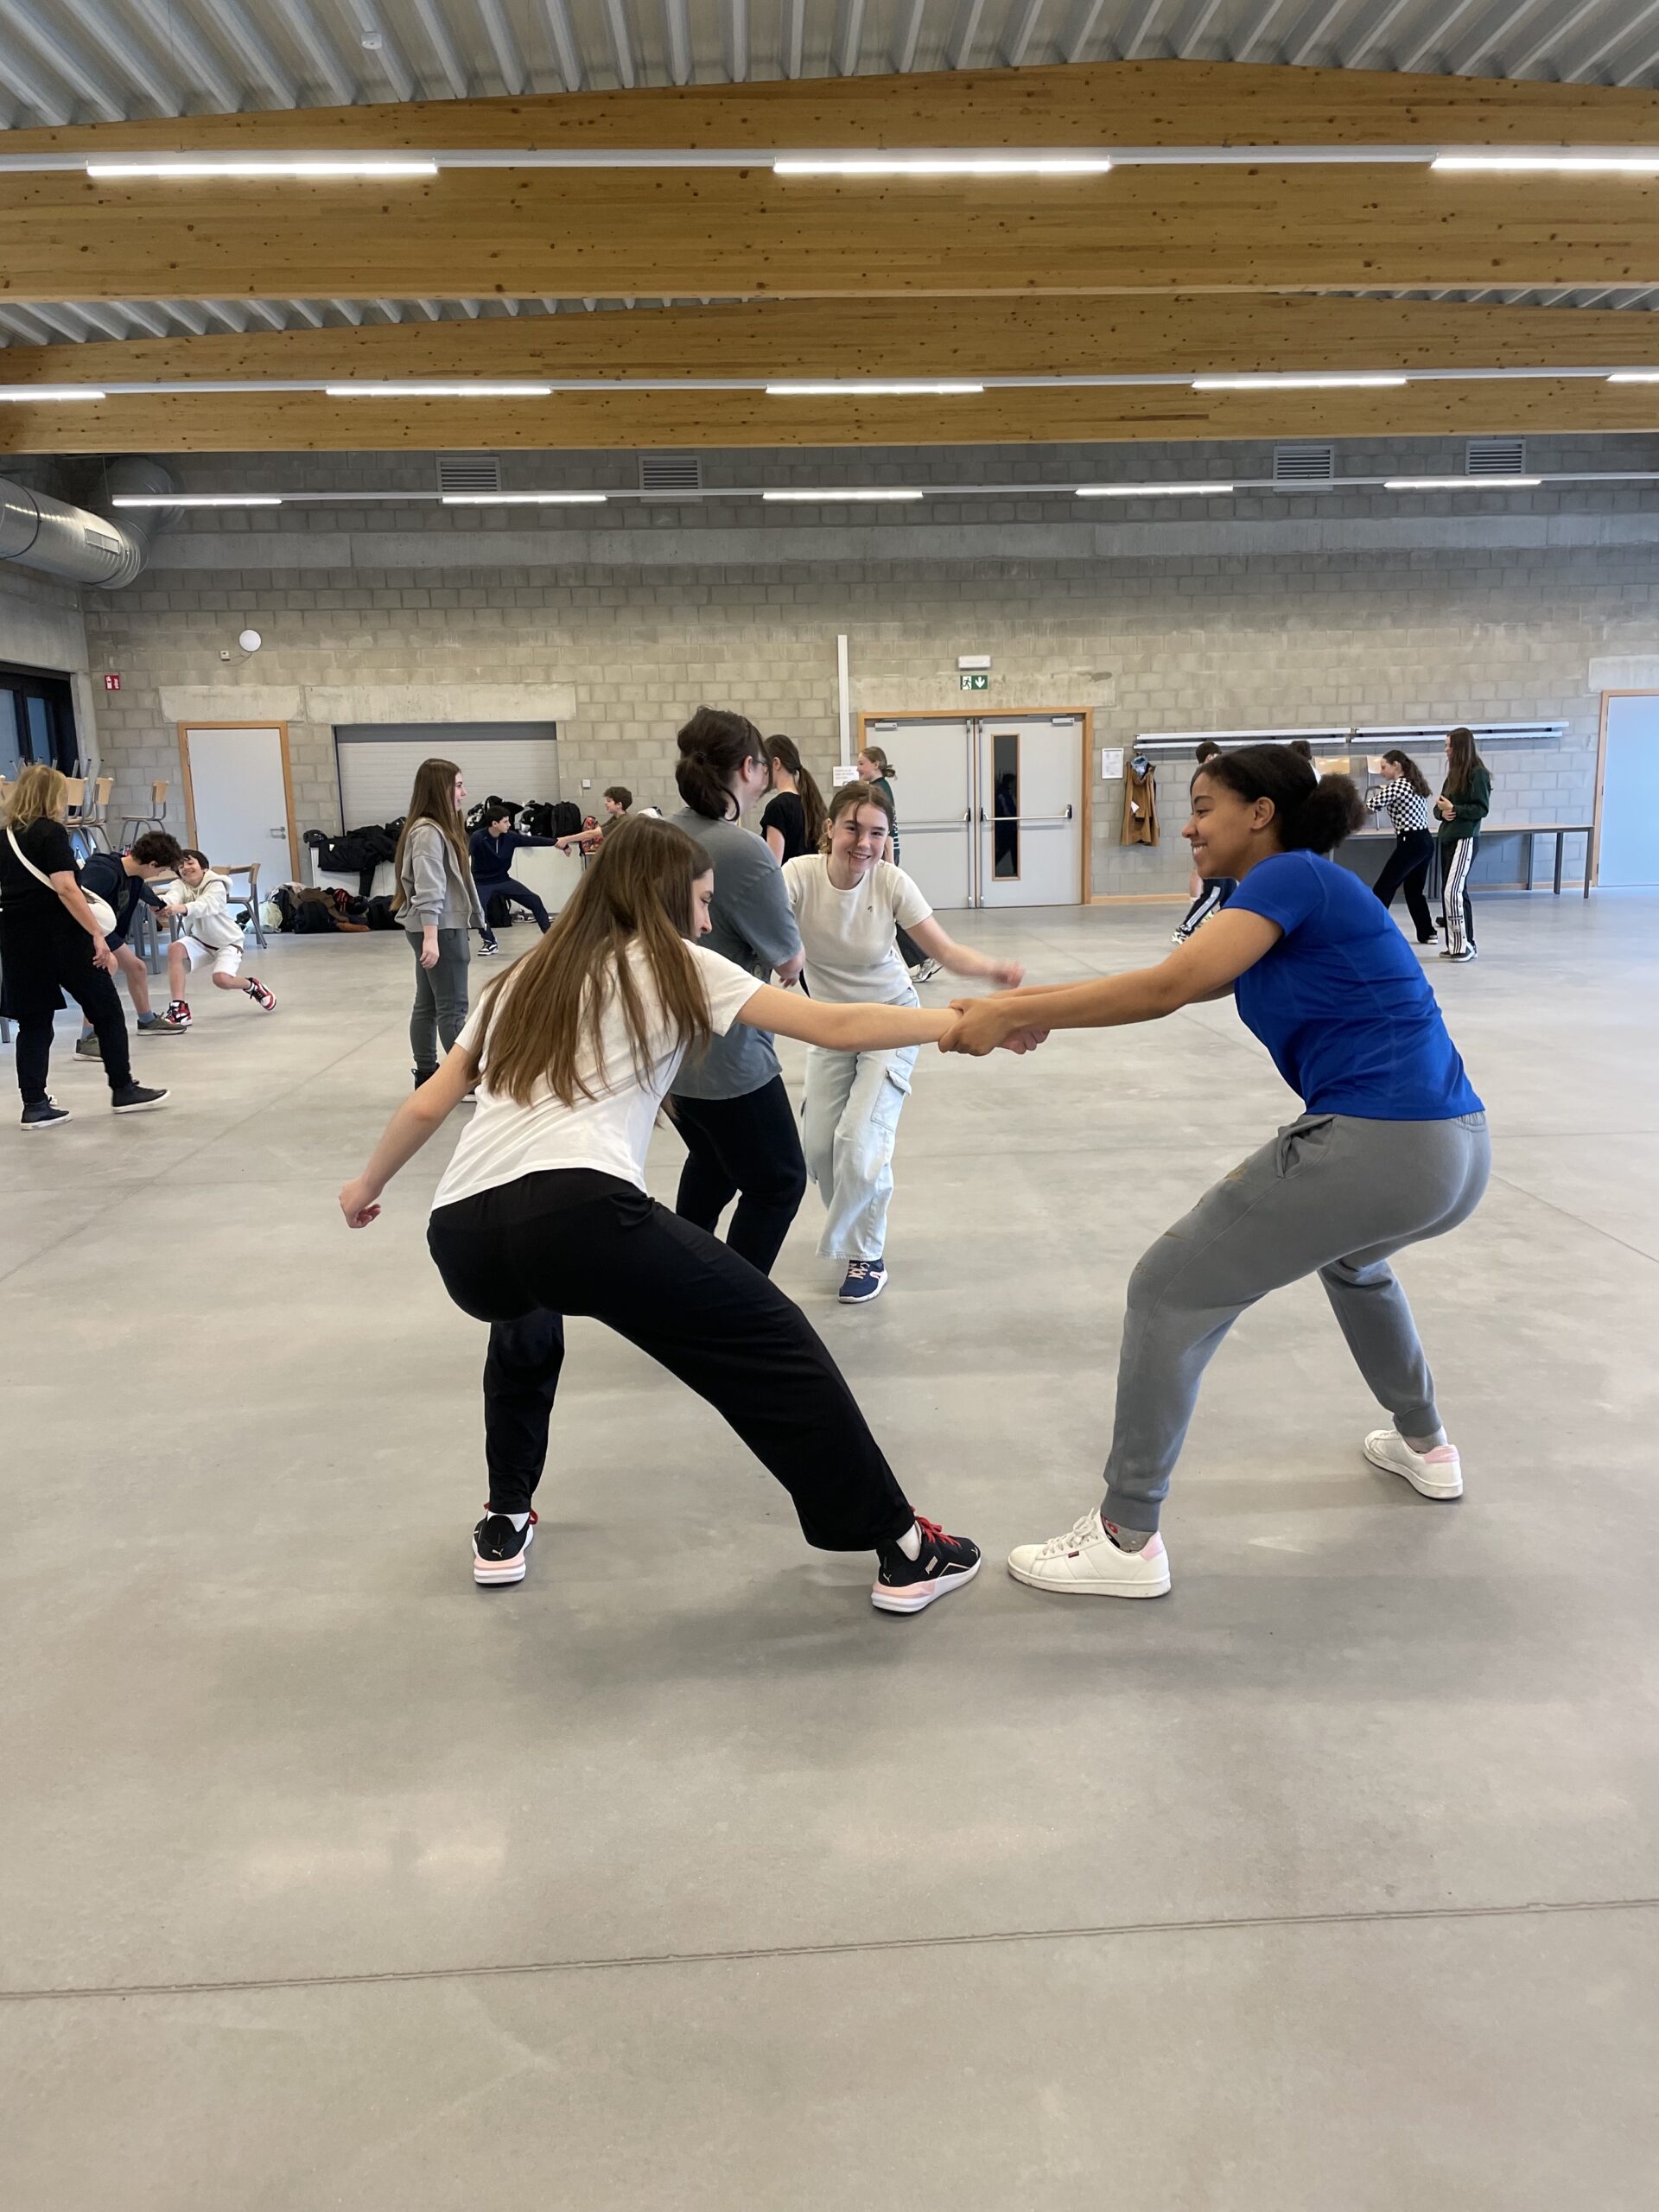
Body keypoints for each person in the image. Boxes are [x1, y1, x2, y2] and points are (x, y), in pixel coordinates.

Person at [336, 815, 1025, 1615]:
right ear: (663, 900)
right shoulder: (673, 963)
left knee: (522, 1328)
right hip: (578, 1212)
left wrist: (365, 1185)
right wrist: (958, 1024)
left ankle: (504, 1515)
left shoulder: (522, 979)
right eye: (700, 902)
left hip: (461, 1234)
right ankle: (906, 1551)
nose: (706, 920)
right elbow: (834, 1025)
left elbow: (431, 1103)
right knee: (773, 1345)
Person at [942, 744, 1488, 1601]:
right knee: (1353, 1260)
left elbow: (1168, 985)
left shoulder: (1290, 878)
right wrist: (1028, 1011)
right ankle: (1427, 1445)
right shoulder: (1283, 895)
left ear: (1259, 814)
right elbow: (1178, 988)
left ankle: (1126, 1537)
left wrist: (1012, 1008)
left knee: (1169, 1289)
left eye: (1204, 806)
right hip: (1452, 1147)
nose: (1187, 824)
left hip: (1377, 1140)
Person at [783, 778, 1024, 1304]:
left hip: (893, 1022)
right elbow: (771, 933)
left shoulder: (891, 882)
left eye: (877, 833)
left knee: (859, 1139)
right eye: (852, 829)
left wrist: (992, 970)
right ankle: (855, 1234)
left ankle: (866, 1254)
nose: (864, 844)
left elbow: (946, 949)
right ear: (828, 829)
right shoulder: (798, 875)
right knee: (820, 1148)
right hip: (830, 1027)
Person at [667, 708, 808, 1277]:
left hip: (669, 1054)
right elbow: (789, 961)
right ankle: (736, 1306)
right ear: (750, 768)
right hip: (729, 1059)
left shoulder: (656, 834)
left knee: (712, 1161)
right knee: (779, 1182)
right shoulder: (742, 851)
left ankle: (679, 1279)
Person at [0, 764, 169, 1128]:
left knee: (34, 1023)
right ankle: (123, 1088)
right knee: (106, 1009)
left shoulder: (3, 836)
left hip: (16, 939)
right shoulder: (50, 833)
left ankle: (34, 1105)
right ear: (55, 796)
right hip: (60, 936)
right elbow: (65, 887)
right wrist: (96, 933)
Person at [393, 758, 485, 1089]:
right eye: (458, 785)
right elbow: (429, 886)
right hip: (440, 928)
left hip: (434, 927)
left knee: (429, 1003)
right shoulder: (429, 833)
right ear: (441, 789)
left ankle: (427, 1076)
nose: (464, 793)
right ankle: (468, 1082)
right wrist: (432, 936)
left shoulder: (431, 829)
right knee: (453, 1008)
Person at [73, 831, 191, 1057]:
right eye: (160, 869)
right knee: (107, 968)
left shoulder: (133, 873)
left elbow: (141, 888)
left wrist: (158, 905)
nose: (159, 873)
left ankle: (146, 1021)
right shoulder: (102, 872)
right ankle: (88, 1038)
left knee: (137, 968)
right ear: (152, 863)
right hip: (86, 929)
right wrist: (95, 937)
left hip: (105, 930)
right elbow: (79, 901)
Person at [156, 850, 276, 1024]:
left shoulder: (216, 883)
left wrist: (181, 908)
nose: (186, 868)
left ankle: (252, 986)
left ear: (203, 867)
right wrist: (160, 903)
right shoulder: (179, 885)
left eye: (190, 863)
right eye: (181, 866)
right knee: (175, 948)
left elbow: (208, 905)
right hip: (200, 941)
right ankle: (179, 1009)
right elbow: (171, 897)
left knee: (221, 980)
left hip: (228, 943)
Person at [856, 743, 936, 981]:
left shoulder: (879, 790)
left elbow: (886, 829)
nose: (858, 768)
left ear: (875, 764)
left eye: (862, 763)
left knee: (890, 907)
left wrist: (888, 860)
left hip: (884, 855)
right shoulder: (878, 788)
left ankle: (923, 955)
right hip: (882, 854)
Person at [1364, 748, 1437, 946]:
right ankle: (1427, 932)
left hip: (1410, 842)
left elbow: (1369, 807)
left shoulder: (1397, 786)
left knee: (1384, 887)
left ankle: (1372, 931)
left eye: (1384, 767)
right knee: (1414, 890)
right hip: (1425, 841)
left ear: (1396, 765)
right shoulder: (1414, 784)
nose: (1381, 771)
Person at [1435, 726, 1491, 963]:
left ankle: (1463, 946)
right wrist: (1443, 813)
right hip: (1448, 837)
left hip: (1465, 838)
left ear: (1460, 748)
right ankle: (1459, 942)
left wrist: (1455, 810)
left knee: (1453, 891)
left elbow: (1481, 809)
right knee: (1452, 891)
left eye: (1449, 746)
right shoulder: (1453, 774)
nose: (1446, 750)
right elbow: (1440, 805)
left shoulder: (1477, 774)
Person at [470, 805, 559, 950]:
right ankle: (490, 941)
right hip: (482, 882)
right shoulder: (478, 838)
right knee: (479, 910)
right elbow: (462, 854)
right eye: (506, 822)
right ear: (494, 824)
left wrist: (555, 842)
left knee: (534, 900)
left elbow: (533, 841)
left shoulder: (510, 837)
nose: (509, 825)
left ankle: (549, 937)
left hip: (503, 880)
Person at [1173, 740, 1236, 944]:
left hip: (1221, 839)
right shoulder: (1205, 781)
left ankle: (1228, 934)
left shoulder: (1208, 780)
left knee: (1230, 892)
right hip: (1212, 840)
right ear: (1210, 758)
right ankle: (1185, 929)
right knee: (1214, 892)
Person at [760, 734, 826, 864]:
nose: (762, 770)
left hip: (788, 882)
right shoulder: (811, 802)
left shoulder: (777, 807)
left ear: (776, 763)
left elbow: (774, 866)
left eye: (764, 764)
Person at [556, 785, 632, 856]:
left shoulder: (623, 821)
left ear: (619, 804)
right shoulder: (616, 817)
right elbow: (598, 830)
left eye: (609, 801)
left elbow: (593, 834)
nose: (605, 803)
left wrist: (566, 839)